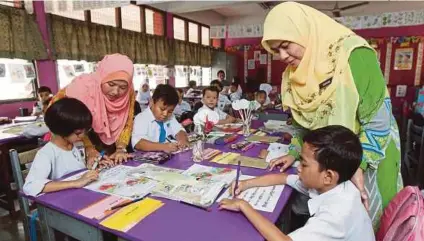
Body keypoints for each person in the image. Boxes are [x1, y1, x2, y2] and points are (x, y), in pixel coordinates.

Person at [261, 2, 402, 229]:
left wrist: (358, 165)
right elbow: (303, 126)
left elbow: (378, 124)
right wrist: (294, 152)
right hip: (329, 161)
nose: (282, 56)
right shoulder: (293, 75)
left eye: (286, 46)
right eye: (275, 50)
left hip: (369, 153)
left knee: (365, 222)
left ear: (305, 32)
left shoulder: (354, 56)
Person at [220, 125, 374, 241]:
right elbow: (282, 178)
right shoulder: (333, 185)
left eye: (304, 164)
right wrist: (246, 183)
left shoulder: (337, 214)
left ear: (328, 176)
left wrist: (243, 205)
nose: (298, 169)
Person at [49, 54, 135, 166]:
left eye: (122, 87)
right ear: (102, 76)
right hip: (76, 144)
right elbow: (55, 115)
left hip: (108, 146)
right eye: (111, 84)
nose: (115, 92)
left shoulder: (129, 93)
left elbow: (126, 121)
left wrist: (120, 149)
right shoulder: (82, 88)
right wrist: (89, 148)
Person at [23, 98, 99, 197]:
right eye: (78, 133)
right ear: (62, 130)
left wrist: (94, 164)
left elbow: (76, 169)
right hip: (60, 202)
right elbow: (30, 186)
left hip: (78, 195)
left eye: (86, 131)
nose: (83, 136)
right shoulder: (47, 153)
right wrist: (76, 182)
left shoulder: (75, 144)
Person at [132, 84, 189, 153]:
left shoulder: (170, 117)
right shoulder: (141, 118)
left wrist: (182, 140)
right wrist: (164, 146)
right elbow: (139, 143)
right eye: (162, 109)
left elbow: (179, 130)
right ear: (152, 102)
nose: (165, 114)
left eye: (170, 111)